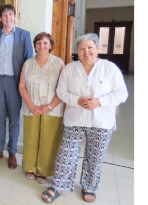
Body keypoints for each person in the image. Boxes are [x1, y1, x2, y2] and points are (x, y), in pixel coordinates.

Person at [41, 33, 128, 203]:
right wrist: (77, 100)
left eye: (90, 47)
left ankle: (89, 186)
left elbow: (121, 94)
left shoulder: (110, 68)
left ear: (97, 49)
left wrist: (99, 102)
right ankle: (58, 185)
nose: (86, 51)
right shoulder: (70, 69)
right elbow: (61, 92)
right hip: (75, 119)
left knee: (95, 156)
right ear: (77, 51)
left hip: (101, 122)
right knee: (67, 153)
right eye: (82, 48)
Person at [0, 4, 33, 169]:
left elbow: (29, 61)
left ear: (15, 17)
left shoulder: (24, 35)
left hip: (15, 82)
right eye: (5, 15)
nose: (8, 18)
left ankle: (12, 152)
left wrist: (24, 84)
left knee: (14, 118)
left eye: (11, 15)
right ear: (0, 18)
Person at [19, 32, 65, 183]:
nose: (42, 46)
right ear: (35, 46)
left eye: (45, 43)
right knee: (31, 138)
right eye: (38, 43)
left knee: (48, 140)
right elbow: (22, 86)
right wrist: (31, 106)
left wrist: (49, 107)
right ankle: (30, 167)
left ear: (51, 45)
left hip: (52, 109)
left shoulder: (58, 63)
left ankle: (43, 171)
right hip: (31, 108)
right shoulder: (28, 63)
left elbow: (63, 89)